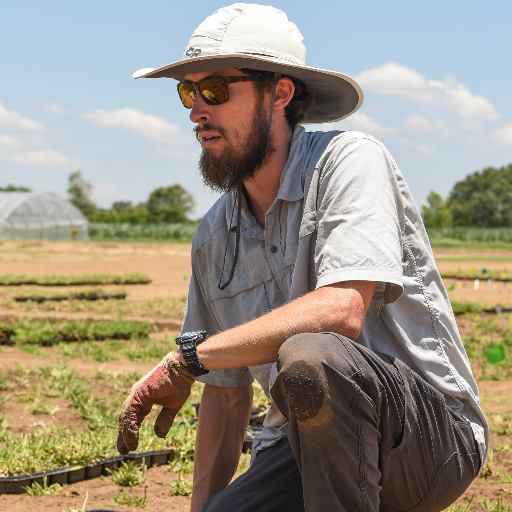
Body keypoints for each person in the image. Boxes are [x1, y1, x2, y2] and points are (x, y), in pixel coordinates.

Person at [117, 4, 488, 511]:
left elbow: (341, 312)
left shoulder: (349, 162)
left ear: (281, 93)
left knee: (313, 353)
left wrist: (187, 361)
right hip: (300, 449)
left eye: (216, 90)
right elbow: (226, 396)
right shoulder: (212, 239)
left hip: (426, 441)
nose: (196, 110)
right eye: (187, 91)